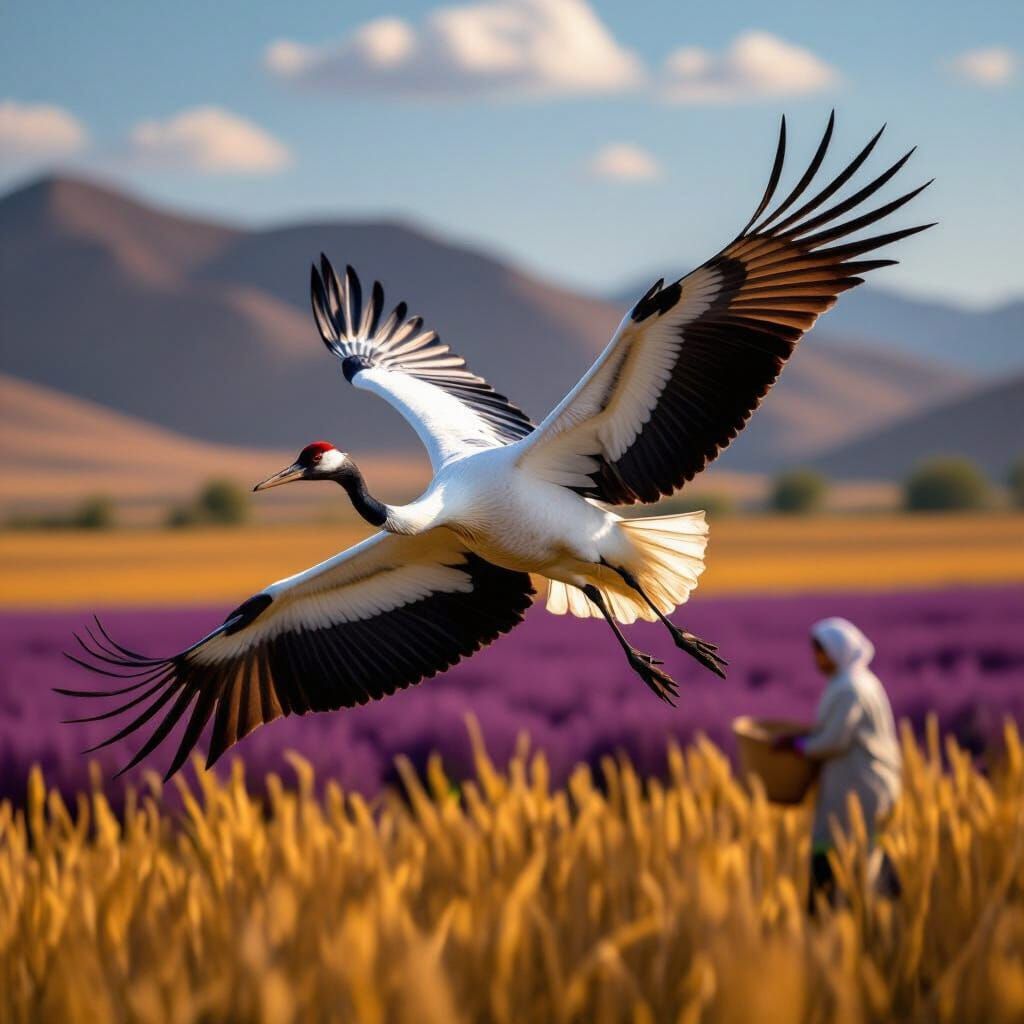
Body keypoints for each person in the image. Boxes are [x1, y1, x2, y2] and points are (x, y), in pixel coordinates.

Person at [776, 617, 903, 911]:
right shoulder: (860, 682)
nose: (816, 659)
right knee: (867, 846)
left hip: (858, 786)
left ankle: (831, 909)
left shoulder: (849, 689)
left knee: (842, 846)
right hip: (864, 783)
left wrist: (797, 747)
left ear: (837, 651)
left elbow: (834, 740)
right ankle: (882, 908)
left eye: (820, 651)